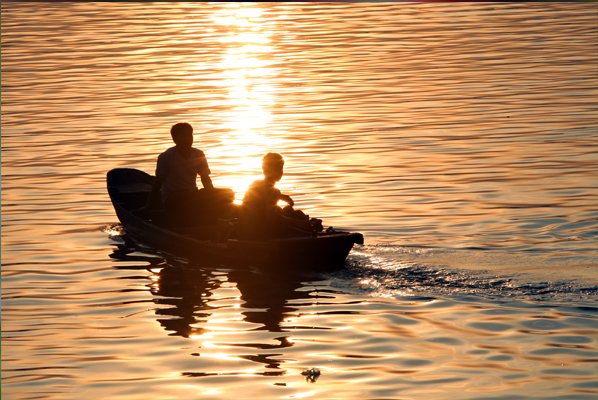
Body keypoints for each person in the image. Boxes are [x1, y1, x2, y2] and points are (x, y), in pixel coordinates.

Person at [140, 122, 233, 225]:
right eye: (183, 136)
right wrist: (148, 206)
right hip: (173, 197)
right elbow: (158, 183)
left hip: (192, 194)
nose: (188, 139)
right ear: (174, 139)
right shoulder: (166, 156)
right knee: (187, 199)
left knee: (228, 193)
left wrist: (212, 196)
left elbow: (205, 179)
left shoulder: (198, 154)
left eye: (189, 135)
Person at [237, 152, 322, 240]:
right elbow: (272, 217)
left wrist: (281, 196)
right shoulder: (273, 191)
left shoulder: (255, 184)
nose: (282, 172)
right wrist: (298, 223)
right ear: (275, 170)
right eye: (281, 169)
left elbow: (262, 195)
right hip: (259, 235)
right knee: (299, 216)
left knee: (286, 211)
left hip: (244, 232)